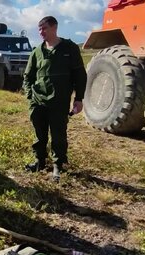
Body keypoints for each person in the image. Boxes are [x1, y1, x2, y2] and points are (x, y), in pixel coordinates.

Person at [22, 16, 87, 181]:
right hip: (38, 101)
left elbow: (80, 74)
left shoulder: (69, 48)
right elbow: (27, 76)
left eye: (44, 28)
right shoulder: (37, 51)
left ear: (54, 27)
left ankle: (58, 166)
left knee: (58, 134)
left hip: (59, 101)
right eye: (39, 29)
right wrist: (30, 95)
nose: (41, 32)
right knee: (39, 133)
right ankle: (39, 161)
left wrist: (79, 98)